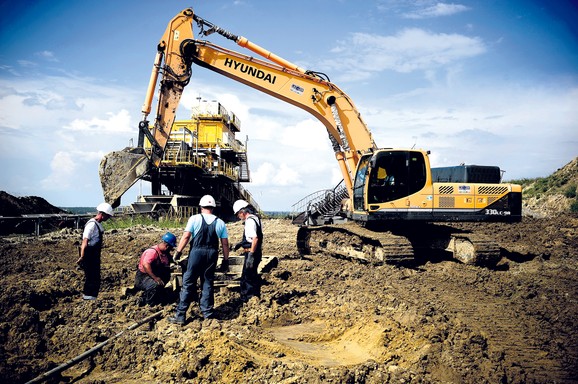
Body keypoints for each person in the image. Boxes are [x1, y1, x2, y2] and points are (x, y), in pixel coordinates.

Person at [168, 195, 229, 324]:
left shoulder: (194, 219)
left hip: (196, 253)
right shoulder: (220, 222)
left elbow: (186, 237)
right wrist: (225, 260)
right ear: (213, 207)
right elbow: (225, 244)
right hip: (212, 254)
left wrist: (178, 252)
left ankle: (180, 315)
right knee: (207, 283)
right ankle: (208, 315)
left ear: (201, 207)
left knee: (188, 283)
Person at [76, 202, 113, 300]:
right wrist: (82, 257)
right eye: (108, 216)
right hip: (90, 254)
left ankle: (92, 298)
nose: (108, 218)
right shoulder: (91, 225)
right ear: (102, 214)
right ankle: (88, 298)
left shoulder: (97, 224)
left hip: (94, 254)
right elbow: (85, 241)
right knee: (91, 277)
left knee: (95, 277)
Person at [232, 199, 263, 303]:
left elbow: (255, 238)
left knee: (247, 278)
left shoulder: (249, 221)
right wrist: (241, 244)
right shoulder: (256, 219)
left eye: (238, 214)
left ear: (242, 212)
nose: (238, 217)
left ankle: (248, 300)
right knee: (252, 275)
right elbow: (253, 237)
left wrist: (251, 254)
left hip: (252, 252)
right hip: (255, 251)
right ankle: (255, 297)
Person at [134, 232, 177, 306]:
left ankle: (158, 294)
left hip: (154, 274)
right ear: (166, 246)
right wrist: (155, 278)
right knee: (154, 285)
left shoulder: (164, 253)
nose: (170, 250)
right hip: (143, 277)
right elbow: (146, 265)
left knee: (166, 275)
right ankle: (147, 302)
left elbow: (170, 261)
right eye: (170, 248)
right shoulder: (152, 252)